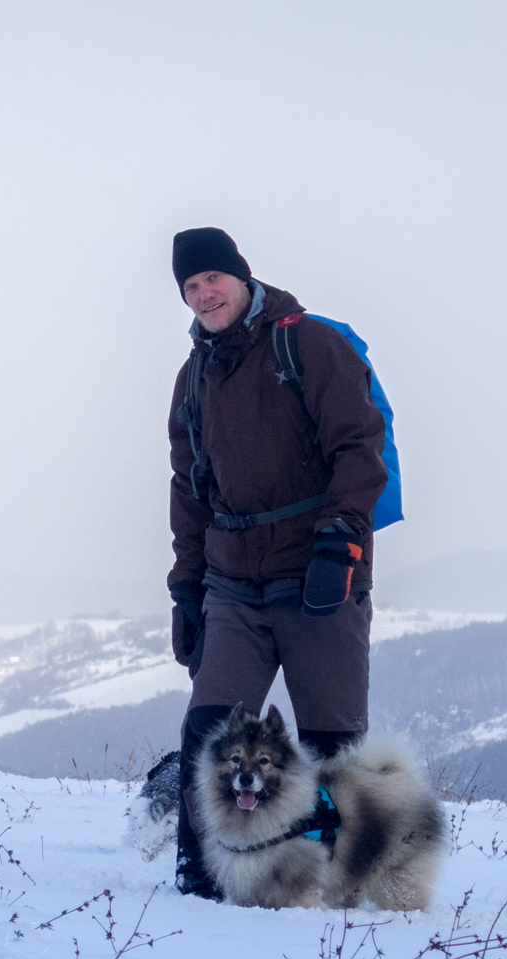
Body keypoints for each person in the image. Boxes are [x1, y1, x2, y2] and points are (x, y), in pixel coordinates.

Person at [165, 227, 390, 899]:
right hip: (233, 583)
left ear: (241, 276)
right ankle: (200, 876)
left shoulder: (308, 345)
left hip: (319, 575)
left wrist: (341, 542)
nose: (205, 294)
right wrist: (186, 589)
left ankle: (335, 880)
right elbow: (188, 489)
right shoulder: (194, 377)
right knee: (210, 730)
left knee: (332, 745)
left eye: (213, 280)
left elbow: (359, 446)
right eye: (191, 287)